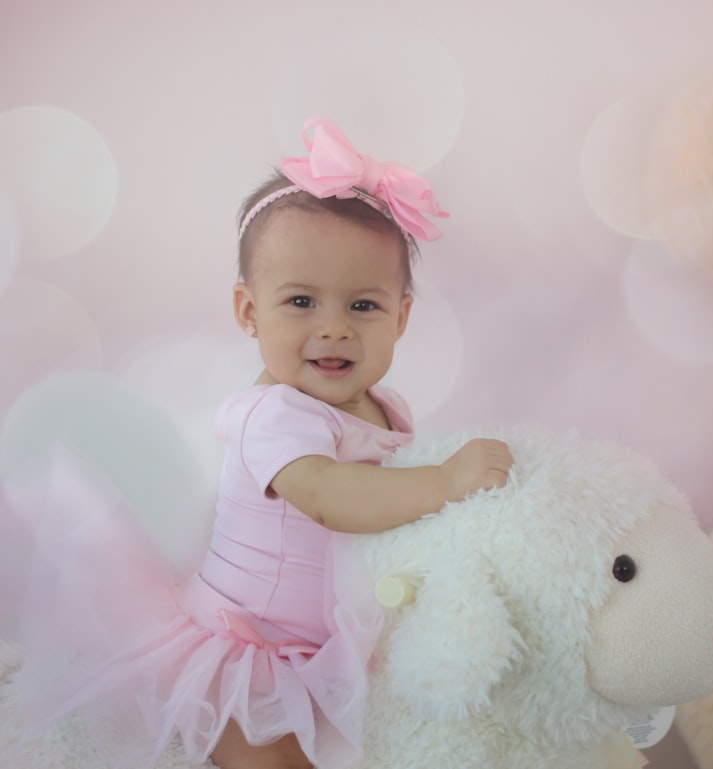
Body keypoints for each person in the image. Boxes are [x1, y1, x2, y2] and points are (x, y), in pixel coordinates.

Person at [13, 117, 513, 769]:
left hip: (324, 639)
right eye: (301, 301)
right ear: (249, 311)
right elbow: (332, 497)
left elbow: (387, 524)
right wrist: (446, 482)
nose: (333, 329)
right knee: (268, 752)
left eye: (363, 306)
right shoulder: (273, 414)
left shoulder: (389, 409)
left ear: (402, 316)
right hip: (241, 640)